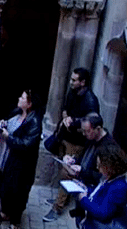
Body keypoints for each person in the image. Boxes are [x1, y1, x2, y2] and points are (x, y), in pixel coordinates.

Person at [43, 68, 101, 221]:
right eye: (71, 79)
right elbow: (66, 109)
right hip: (65, 137)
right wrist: (66, 117)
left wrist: (73, 122)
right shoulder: (72, 92)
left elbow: (91, 123)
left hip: (76, 143)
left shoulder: (90, 101)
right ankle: (62, 198)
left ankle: (58, 207)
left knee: (68, 173)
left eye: (74, 80)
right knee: (62, 167)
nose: (71, 82)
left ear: (83, 82)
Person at [44, 113, 118, 222]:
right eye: (83, 130)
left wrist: (82, 171)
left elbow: (103, 177)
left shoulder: (108, 147)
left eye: (86, 131)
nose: (83, 134)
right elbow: (85, 156)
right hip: (83, 182)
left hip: (92, 191)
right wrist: (74, 161)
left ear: (98, 129)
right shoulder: (91, 138)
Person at [0, 90, 42, 229]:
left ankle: (15, 221)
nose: (19, 98)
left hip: (20, 163)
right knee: (1, 184)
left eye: (23, 97)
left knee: (16, 191)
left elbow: (26, 144)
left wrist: (8, 137)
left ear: (29, 104)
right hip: (5, 156)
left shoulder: (34, 122)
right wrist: (3, 125)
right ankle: (5, 212)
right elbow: (9, 124)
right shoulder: (16, 112)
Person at [75, 144, 127, 229]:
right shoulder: (110, 179)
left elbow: (103, 213)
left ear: (109, 166)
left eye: (100, 165)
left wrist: (83, 200)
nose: (97, 168)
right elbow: (99, 195)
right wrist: (85, 189)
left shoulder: (119, 187)